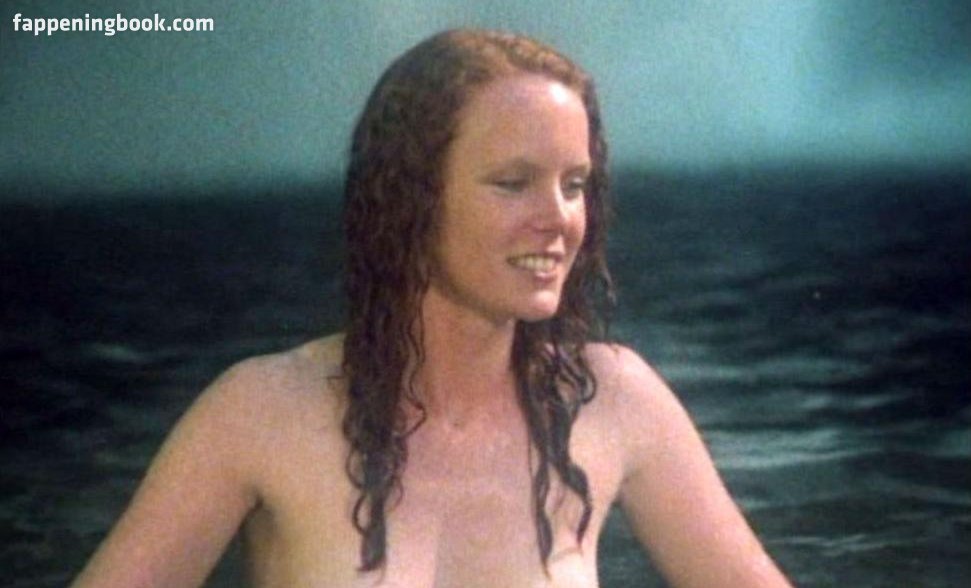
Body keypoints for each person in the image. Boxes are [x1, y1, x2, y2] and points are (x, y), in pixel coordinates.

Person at [72, 29, 792, 587]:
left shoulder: (614, 401)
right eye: (512, 182)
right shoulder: (259, 413)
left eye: (574, 184)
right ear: (411, 198)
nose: (559, 218)